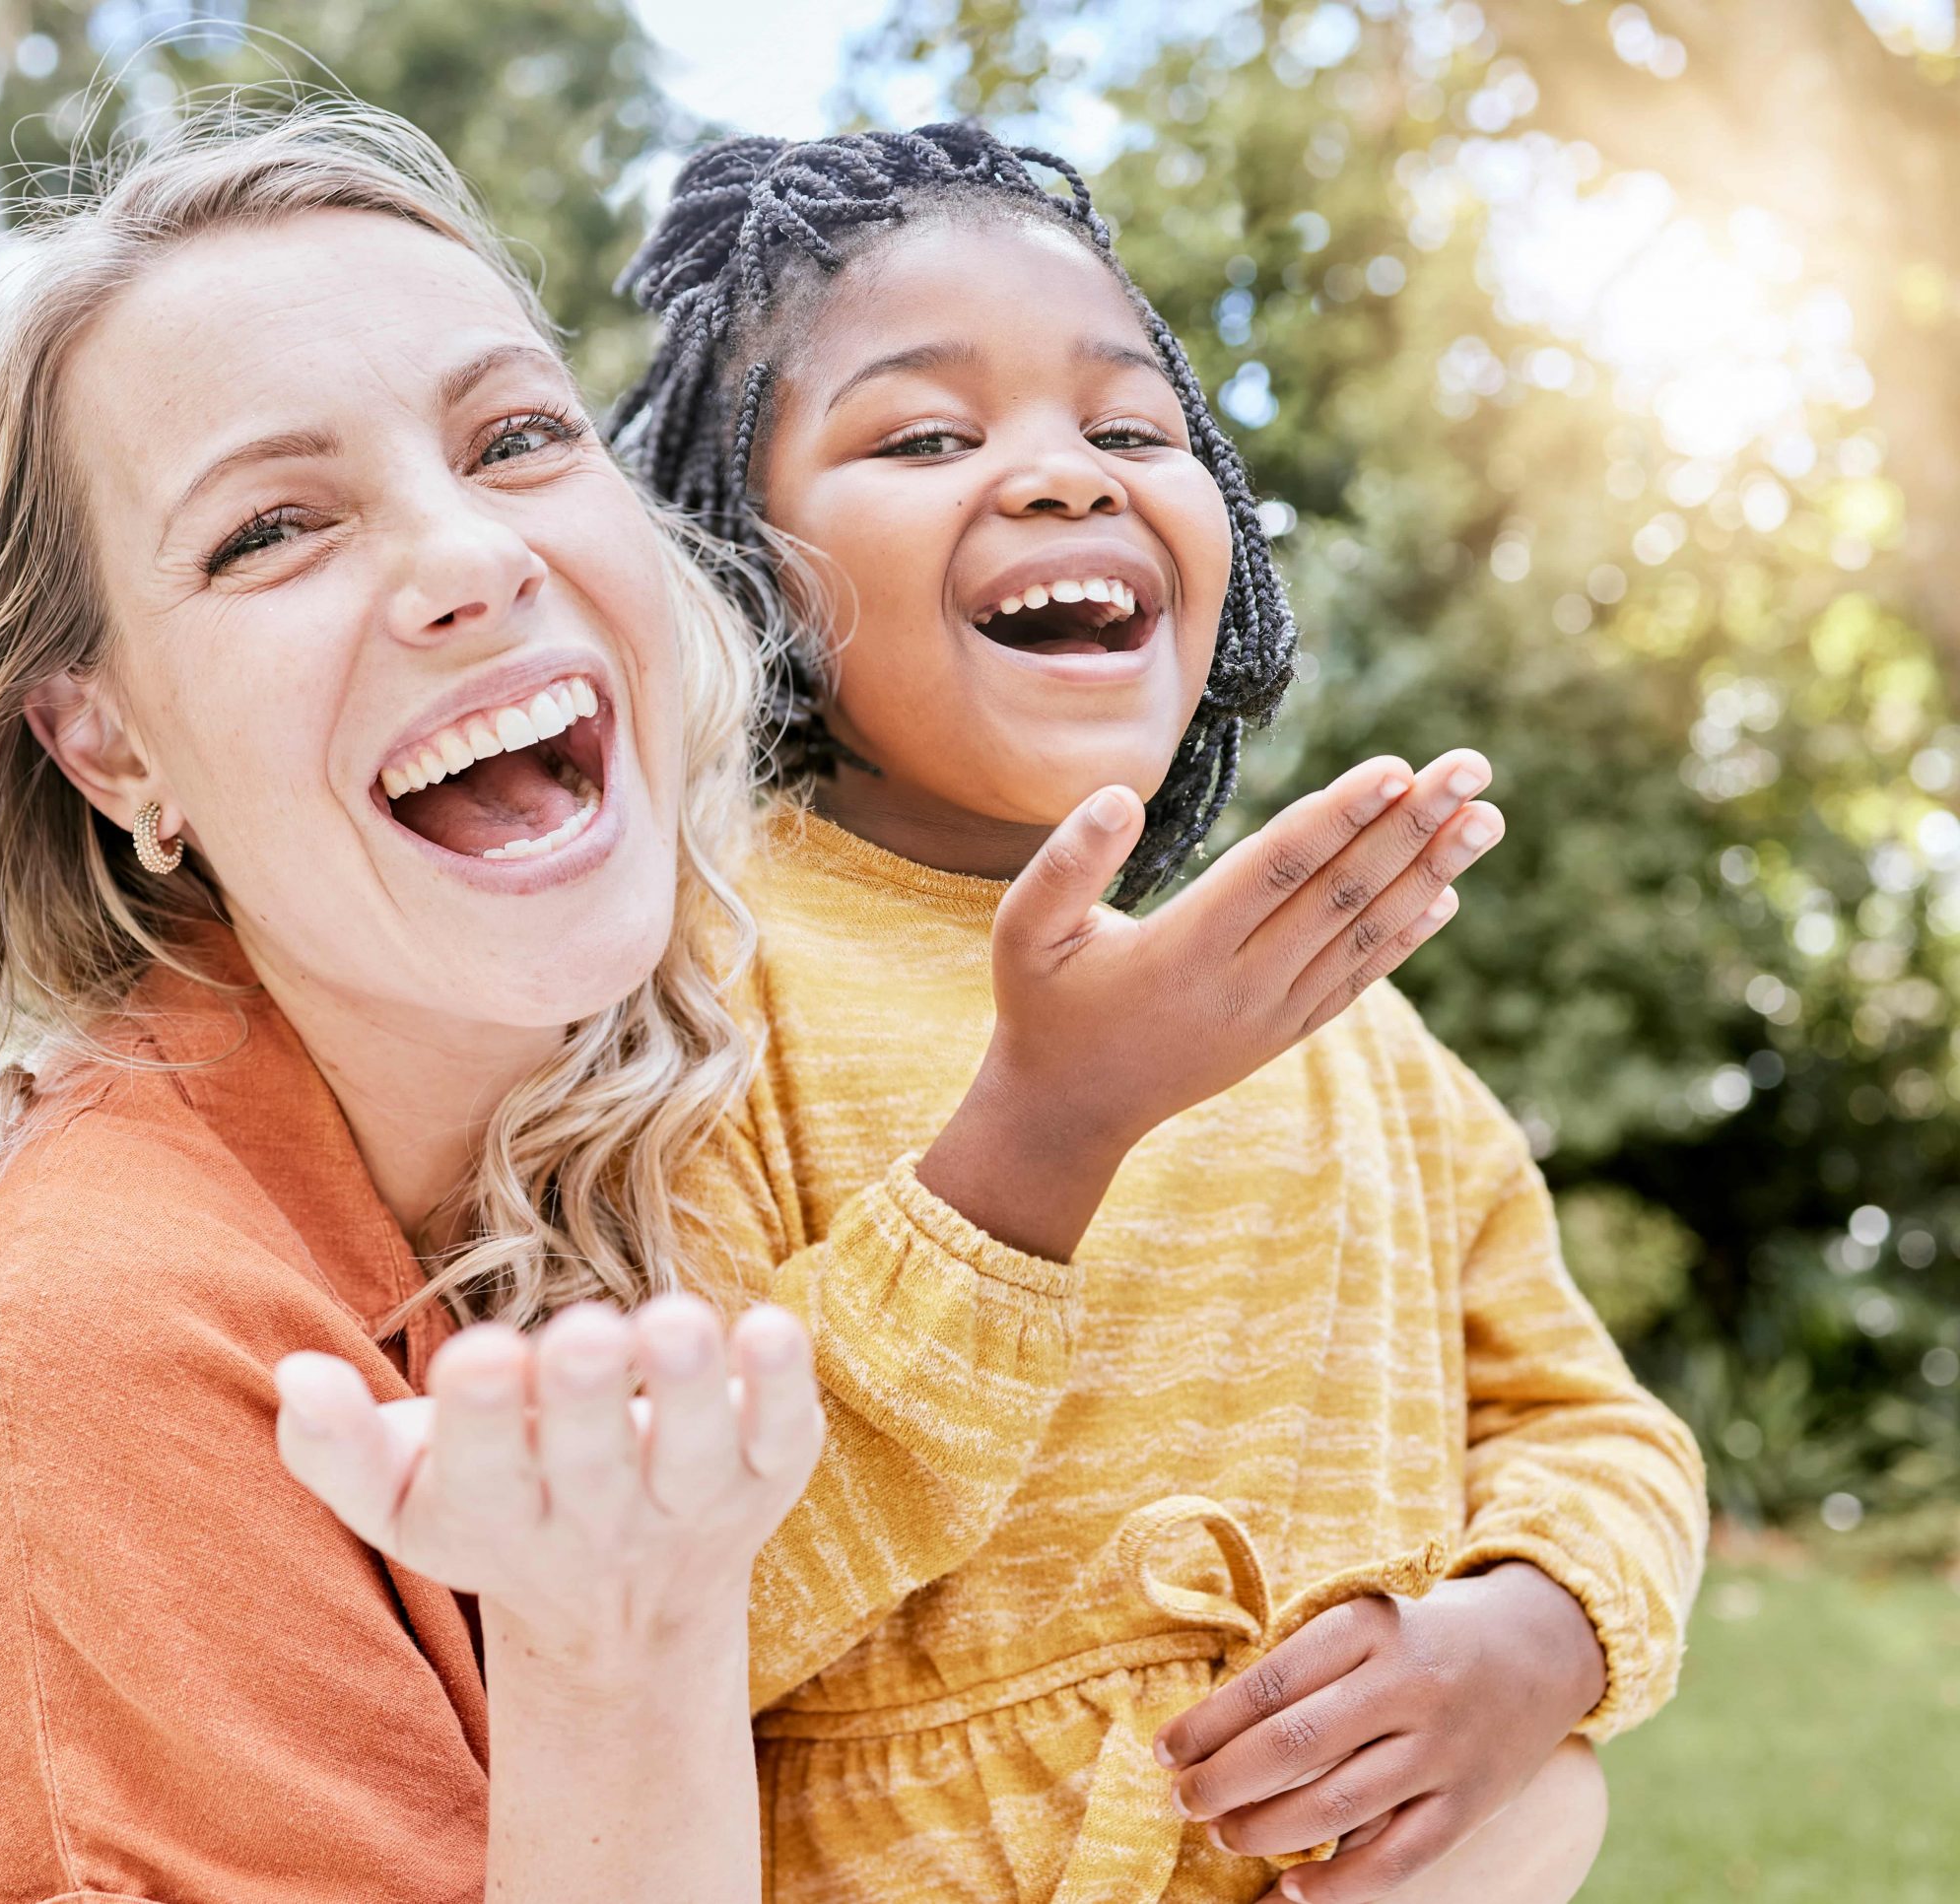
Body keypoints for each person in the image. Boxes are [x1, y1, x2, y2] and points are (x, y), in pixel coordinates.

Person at [0, 102, 833, 1904]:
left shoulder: (695, 1114)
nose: (470, 561)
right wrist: (620, 1650)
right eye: (272, 530)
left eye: (515, 436)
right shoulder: (106, 1326)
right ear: (109, 744)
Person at [614, 123, 1709, 1904]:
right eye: (926, 435)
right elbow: (654, 1617)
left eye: (1132, 430)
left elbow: (1590, 1426)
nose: (1066, 478)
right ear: (741, 567)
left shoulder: (1344, 1025)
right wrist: (1032, 1152)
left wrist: (1543, 1635)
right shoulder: (692, 992)